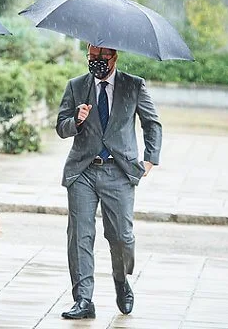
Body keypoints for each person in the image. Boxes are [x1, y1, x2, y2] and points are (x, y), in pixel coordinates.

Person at [56, 44, 162, 319]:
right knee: (79, 235)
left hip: (119, 172)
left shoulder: (133, 86)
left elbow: (152, 123)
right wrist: (76, 121)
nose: (97, 62)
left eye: (102, 57)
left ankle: (121, 279)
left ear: (115, 56)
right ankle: (83, 300)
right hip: (83, 171)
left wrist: (150, 158)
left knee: (121, 238)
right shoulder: (76, 86)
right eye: (92, 57)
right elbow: (61, 126)